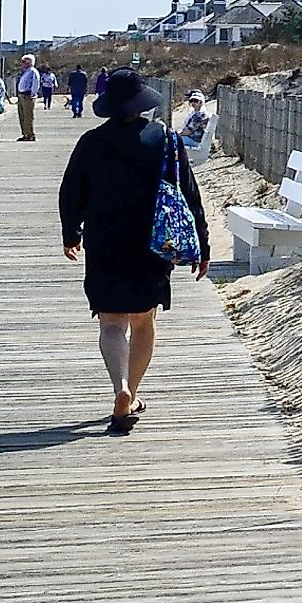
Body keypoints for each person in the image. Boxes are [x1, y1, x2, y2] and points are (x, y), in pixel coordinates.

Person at [59, 67, 210, 433]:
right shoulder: (166, 140)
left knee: (112, 322)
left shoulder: (92, 143)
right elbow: (188, 194)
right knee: (144, 322)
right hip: (154, 242)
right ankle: (134, 391)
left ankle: (120, 388)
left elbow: (70, 192)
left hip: (106, 240)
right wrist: (202, 244)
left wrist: (70, 232)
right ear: (143, 103)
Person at [14, 54, 44, 141]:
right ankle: (25, 134)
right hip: (21, 95)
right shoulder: (25, 72)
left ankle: (30, 134)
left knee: (28, 117)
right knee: (22, 116)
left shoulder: (33, 71)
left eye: (24, 61)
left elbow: (36, 83)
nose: (22, 63)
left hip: (28, 96)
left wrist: (33, 93)